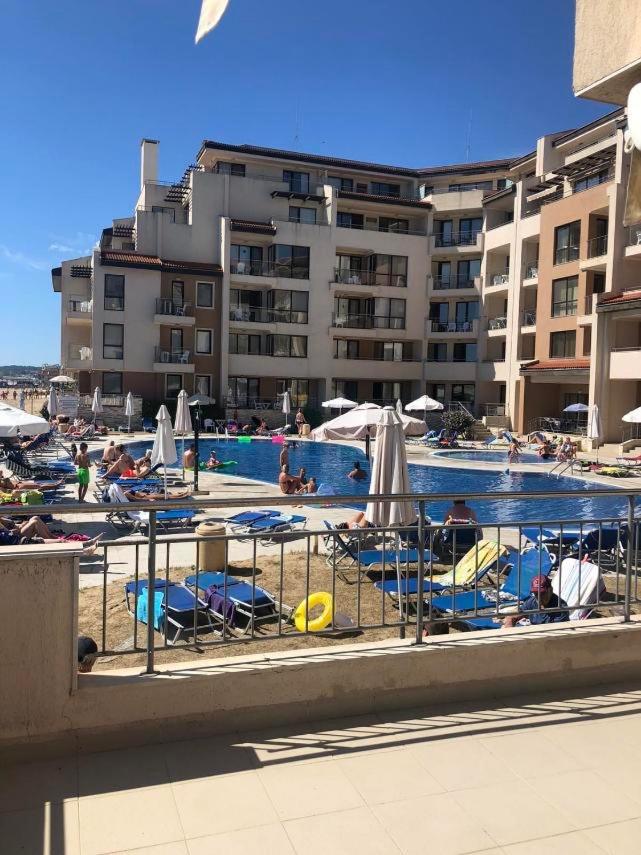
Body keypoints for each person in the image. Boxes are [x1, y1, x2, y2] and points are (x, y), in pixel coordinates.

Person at [0, 516, 103, 551]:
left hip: (18, 538)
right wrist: (18, 528)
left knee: (35, 519)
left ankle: (88, 544)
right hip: (18, 539)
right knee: (35, 521)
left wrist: (21, 525)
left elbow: (12, 527)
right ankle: (86, 546)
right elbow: (11, 532)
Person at [503, 575, 569, 627]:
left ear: (551, 590)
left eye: (542, 593)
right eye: (536, 593)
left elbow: (555, 632)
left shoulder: (560, 607)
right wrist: (510, 623)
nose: (539, 597)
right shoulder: (532, 602)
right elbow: (512, 616)